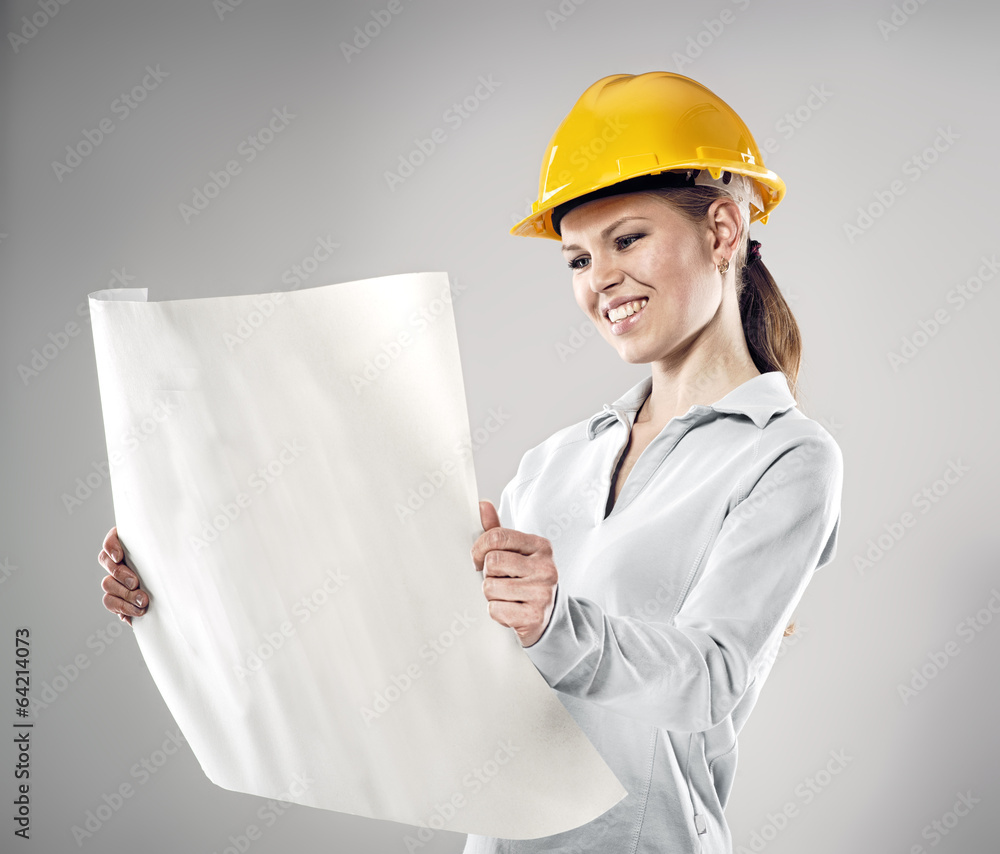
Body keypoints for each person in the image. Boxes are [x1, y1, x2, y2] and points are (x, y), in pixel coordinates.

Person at [99, 72, 843, 854]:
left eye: (626, 239)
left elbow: (710, 678)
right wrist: (185, 586)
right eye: (578, 261)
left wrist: (556, 623)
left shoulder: (786, 458)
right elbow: (431, 649)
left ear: (723, 231)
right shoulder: (558, 462)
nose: (601, 283)